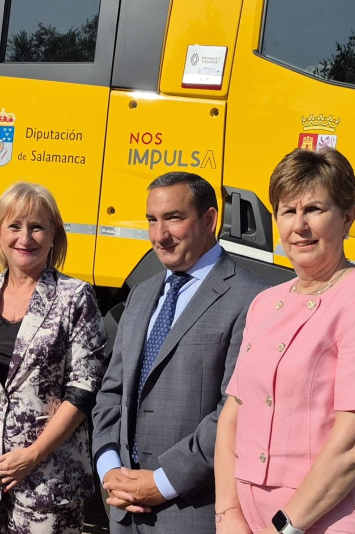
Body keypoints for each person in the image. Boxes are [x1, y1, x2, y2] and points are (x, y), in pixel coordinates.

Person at [213, 148, 355, 534]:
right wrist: (228, 515)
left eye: (314, 210)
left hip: (332, 521)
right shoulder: (264, 303)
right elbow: (231, 420)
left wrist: (283, 529)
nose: (299, 226)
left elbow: (354, 446)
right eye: (288, 211)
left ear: (347, 217)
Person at [91, 171, 265, 533]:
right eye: (152, 220)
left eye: (173, 218)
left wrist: (162, 482)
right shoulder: (142, 294)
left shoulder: (252, 299)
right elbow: (111, 393)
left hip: (191, 513)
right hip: (123, 511)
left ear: (209, 220)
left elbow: (236, 411)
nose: (159, 235)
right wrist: (110, 470)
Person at [0, 182, 108, 533]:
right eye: (14, 226)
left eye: (37, 227)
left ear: (54, 235)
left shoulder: (75, 297)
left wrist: (32, 455)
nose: (25, 238)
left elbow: (84, 388)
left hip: (47, 484)